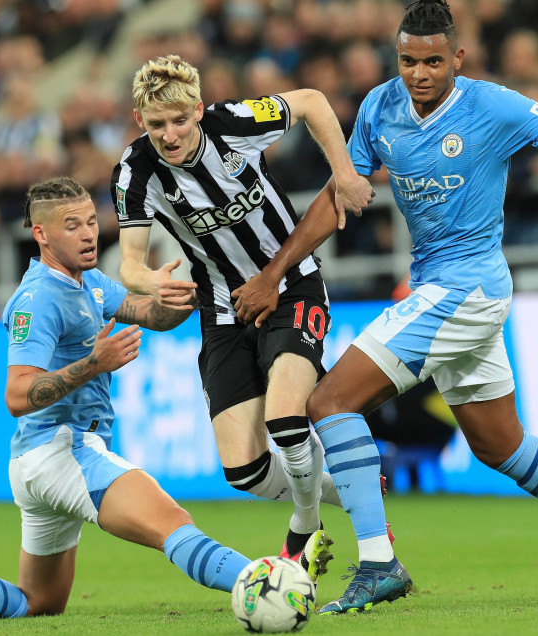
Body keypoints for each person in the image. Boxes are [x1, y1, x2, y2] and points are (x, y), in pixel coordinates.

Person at [234, 0, 538, 614]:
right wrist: (276, 273)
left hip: (467, 288)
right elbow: (338, 198)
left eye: (433, 61)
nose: (419, 73)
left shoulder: (495, 106)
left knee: (329, 401)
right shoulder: (380, 108)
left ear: (457, 58)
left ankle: (379, 562)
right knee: (499, 446)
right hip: (445, 288)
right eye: (408, 60)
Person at [0, 177, 259, 625]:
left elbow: (149, 314)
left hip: (38, 462)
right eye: (72, 226)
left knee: (39, 601)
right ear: (41, 233)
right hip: (63, 450)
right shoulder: (38, 299)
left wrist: (191, 292)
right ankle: (264, 583)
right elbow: (15, 395)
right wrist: (93, 365)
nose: (88, 233)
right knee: (171, 521)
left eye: (91, 221)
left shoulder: (87, 281)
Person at [110, 54, 374, 566]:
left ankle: (306, 527)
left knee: (285, 418)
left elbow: (313, 102)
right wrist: (151, 283)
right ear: (140, 121)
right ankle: (350, 491)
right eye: (158, 124)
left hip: (293, 285)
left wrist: (343, 174)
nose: (170, 134)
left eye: (180, 120)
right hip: (223, 307)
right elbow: (130, 265)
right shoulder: (133, 172)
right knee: (244, 470)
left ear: (200, 111)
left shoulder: (234, 123)